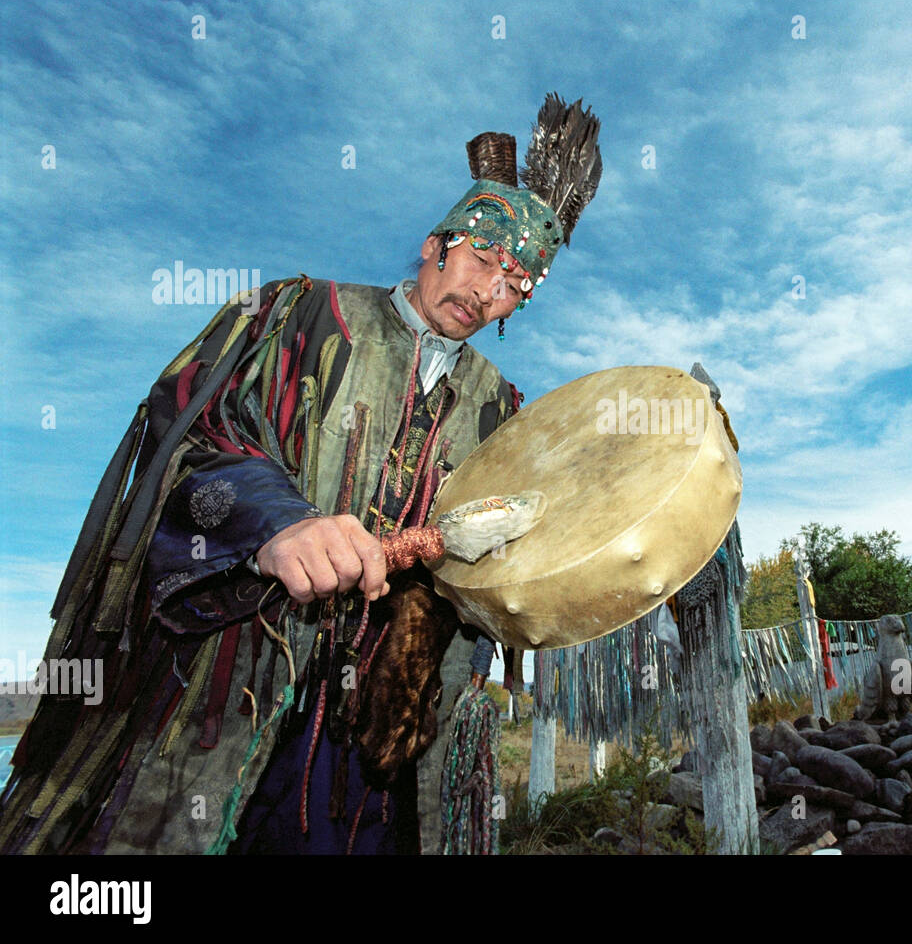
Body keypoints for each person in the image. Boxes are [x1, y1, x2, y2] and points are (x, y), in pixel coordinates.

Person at [0, 93, 602, 855]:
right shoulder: (296, 318)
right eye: (482, 261)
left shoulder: (502, 411)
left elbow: (525, 537)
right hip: (232, 686)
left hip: (375, 736)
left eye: (515, 285)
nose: (487, 293)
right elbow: (189, 443)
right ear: (435, 245)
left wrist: (428, 615)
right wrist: (276, 523)